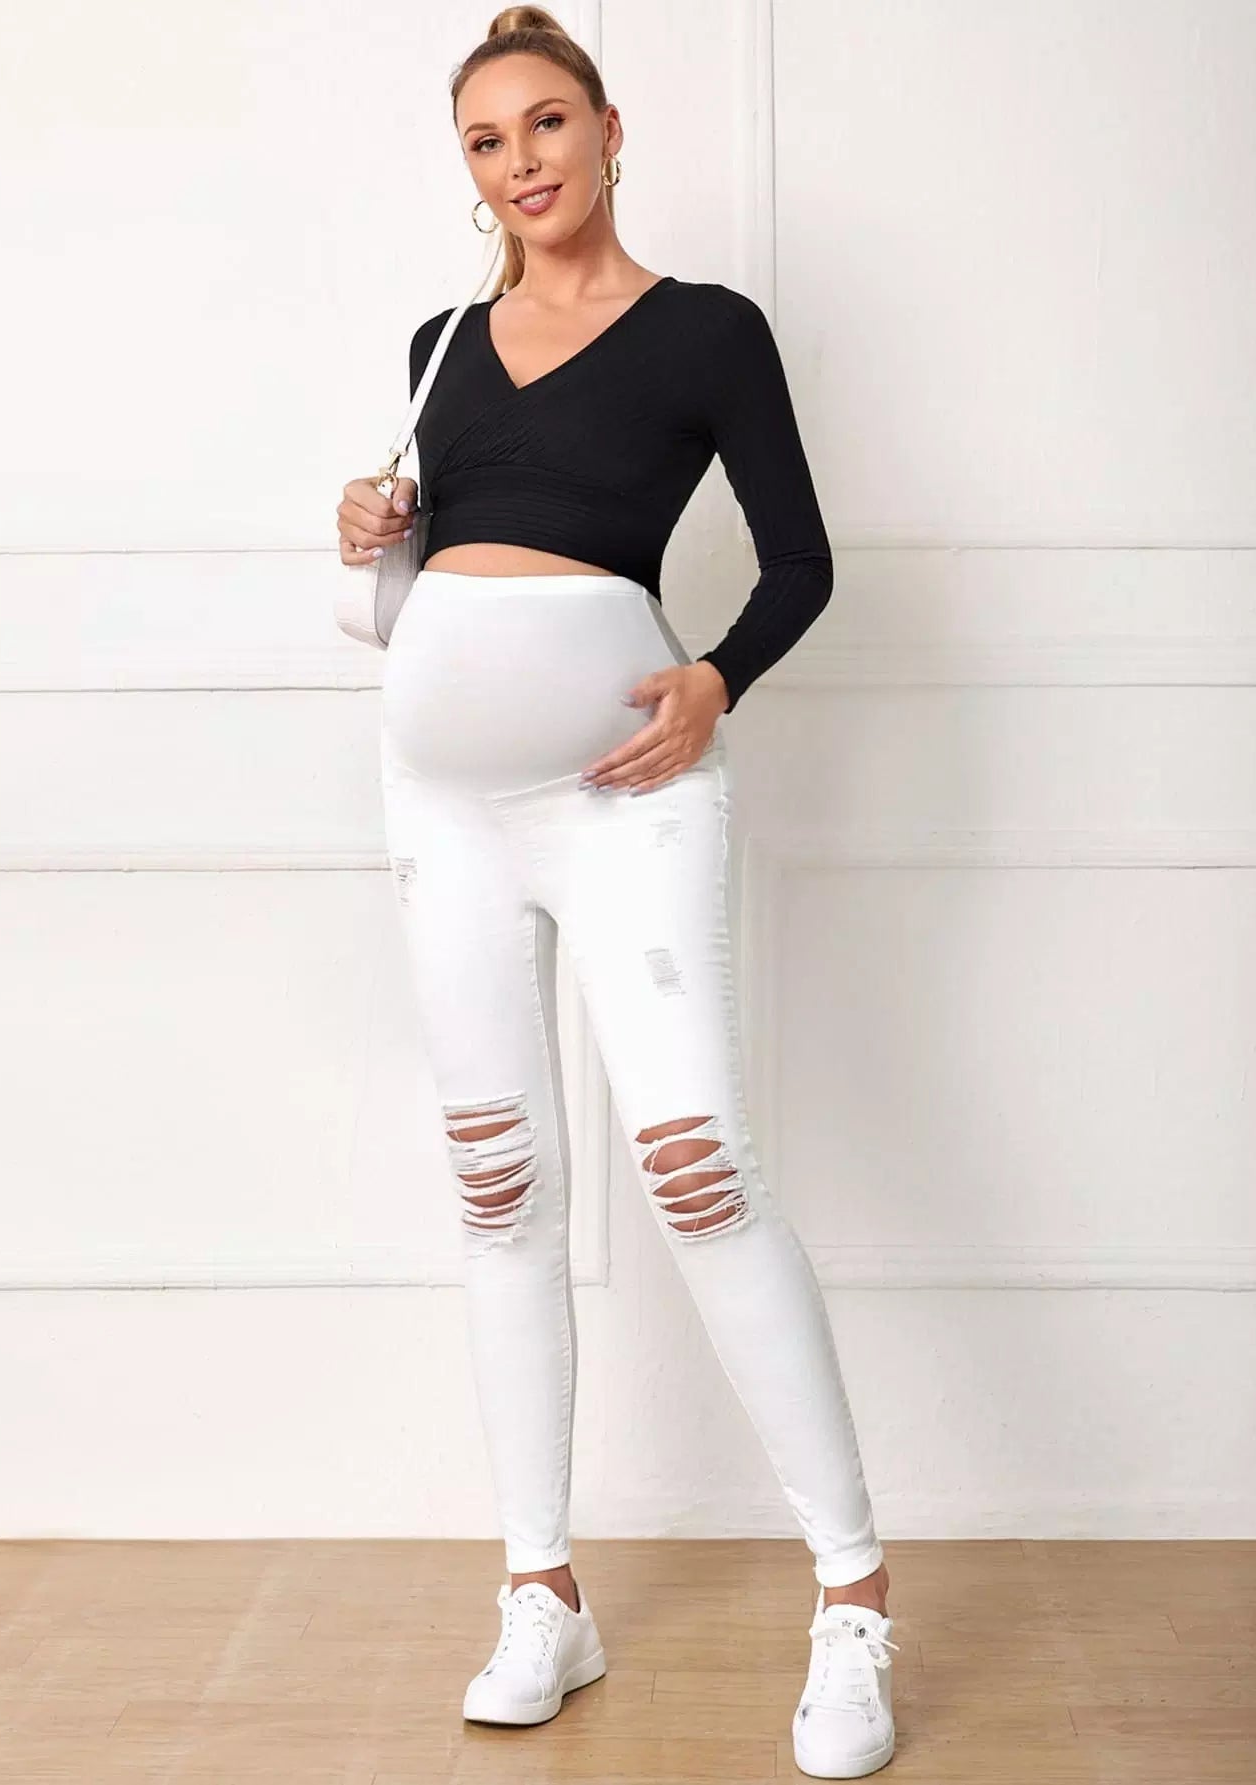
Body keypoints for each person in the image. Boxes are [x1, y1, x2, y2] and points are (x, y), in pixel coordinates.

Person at [335, 8, 897, 1777]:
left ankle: (855, 1597)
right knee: (498, 1184)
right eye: (487, 140)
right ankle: (543, 1590)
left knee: (697, 1167)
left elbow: (802, 561)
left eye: (547, 123)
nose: (522, 162)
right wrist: (372, 536)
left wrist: (717, 677)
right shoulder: (438, 345)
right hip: (445, 802)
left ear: (609, 128)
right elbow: (417, 596)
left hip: (621, 797)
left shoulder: (708, 330)